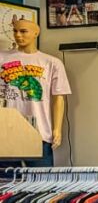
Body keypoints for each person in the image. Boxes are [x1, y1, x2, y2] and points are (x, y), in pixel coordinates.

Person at [0, 18, 72, 166]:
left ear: (36, 33)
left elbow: (58, 98)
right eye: (15, 31)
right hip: (6, 133)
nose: (18, 35)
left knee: (42, 183)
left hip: (39, 133)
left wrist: (57, 129)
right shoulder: (2, 58)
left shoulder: (51, 63)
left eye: (23, 31)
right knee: (5, 184)